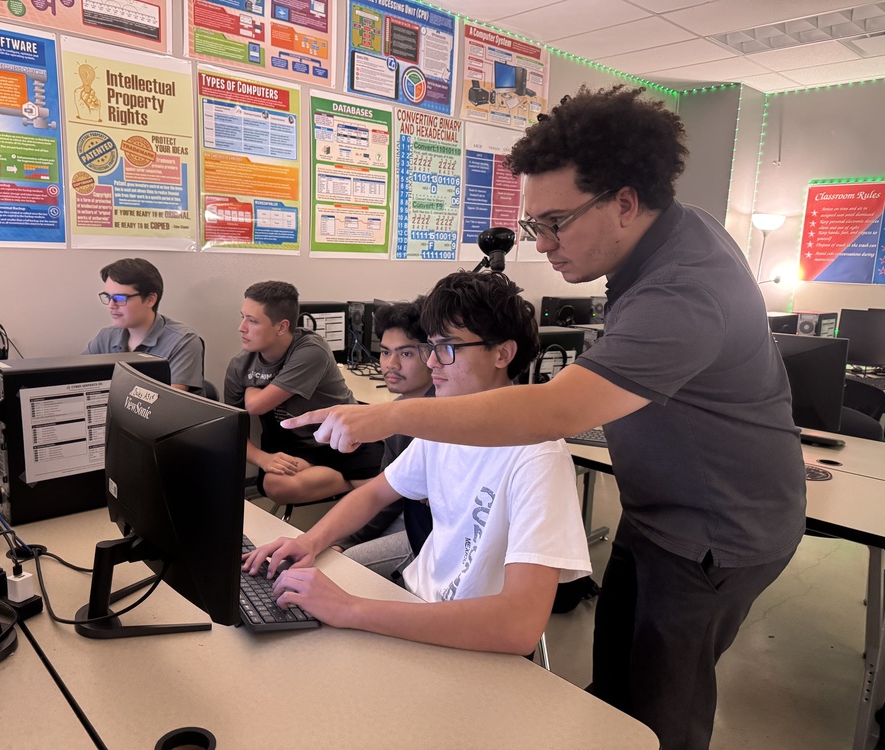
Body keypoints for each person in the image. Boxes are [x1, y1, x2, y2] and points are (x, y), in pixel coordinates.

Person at [283, 85, 806, 750]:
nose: (544, 244)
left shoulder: (684, 288)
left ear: (624, 201)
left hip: (718, 529)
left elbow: (554, 410)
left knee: (660, 714)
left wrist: (388, 419)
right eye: (535, 224)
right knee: (615, 686)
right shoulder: (663, 235)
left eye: (555, 223)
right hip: (659, 510)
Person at [244, 271, 592, 654]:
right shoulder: (445, 426)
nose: (432, 362)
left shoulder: (537, 455)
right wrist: (308, 542)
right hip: (415, 605)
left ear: (502, 353)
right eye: (430, 347)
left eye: (447, 348)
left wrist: (351, 608)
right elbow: (375, 493)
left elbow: (517, 626)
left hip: (468, 641)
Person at [224, 281, 383, 506]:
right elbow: (233, 432)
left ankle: (355, 480)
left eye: (253, 321)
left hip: (345, 439)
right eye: (243, 317)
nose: (242, 327)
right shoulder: (239, 366)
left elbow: (256, 406)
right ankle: (351, 482)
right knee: (274, 484)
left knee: (381, 507)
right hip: (299, 447)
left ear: (281, 327)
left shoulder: (310, 350)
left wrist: (251, 391)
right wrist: (264, 459)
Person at [335, 299, 434, 578]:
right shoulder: (398, 411)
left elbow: (388, 500)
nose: (390, 365)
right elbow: (384, 494)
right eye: (385, 352)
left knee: (347, 566)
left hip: (434, 527)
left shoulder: (439, 414)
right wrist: (343, 541)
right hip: (404, 511)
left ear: (432, 354)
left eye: (405, 354)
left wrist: (348, 544)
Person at [84, 258, 204, 393]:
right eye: (108, 297)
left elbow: (169, 402)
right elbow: (77, 379)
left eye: (120, 298)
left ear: (150, 299)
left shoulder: (182, 341)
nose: (111, 305)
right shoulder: (105, 337)